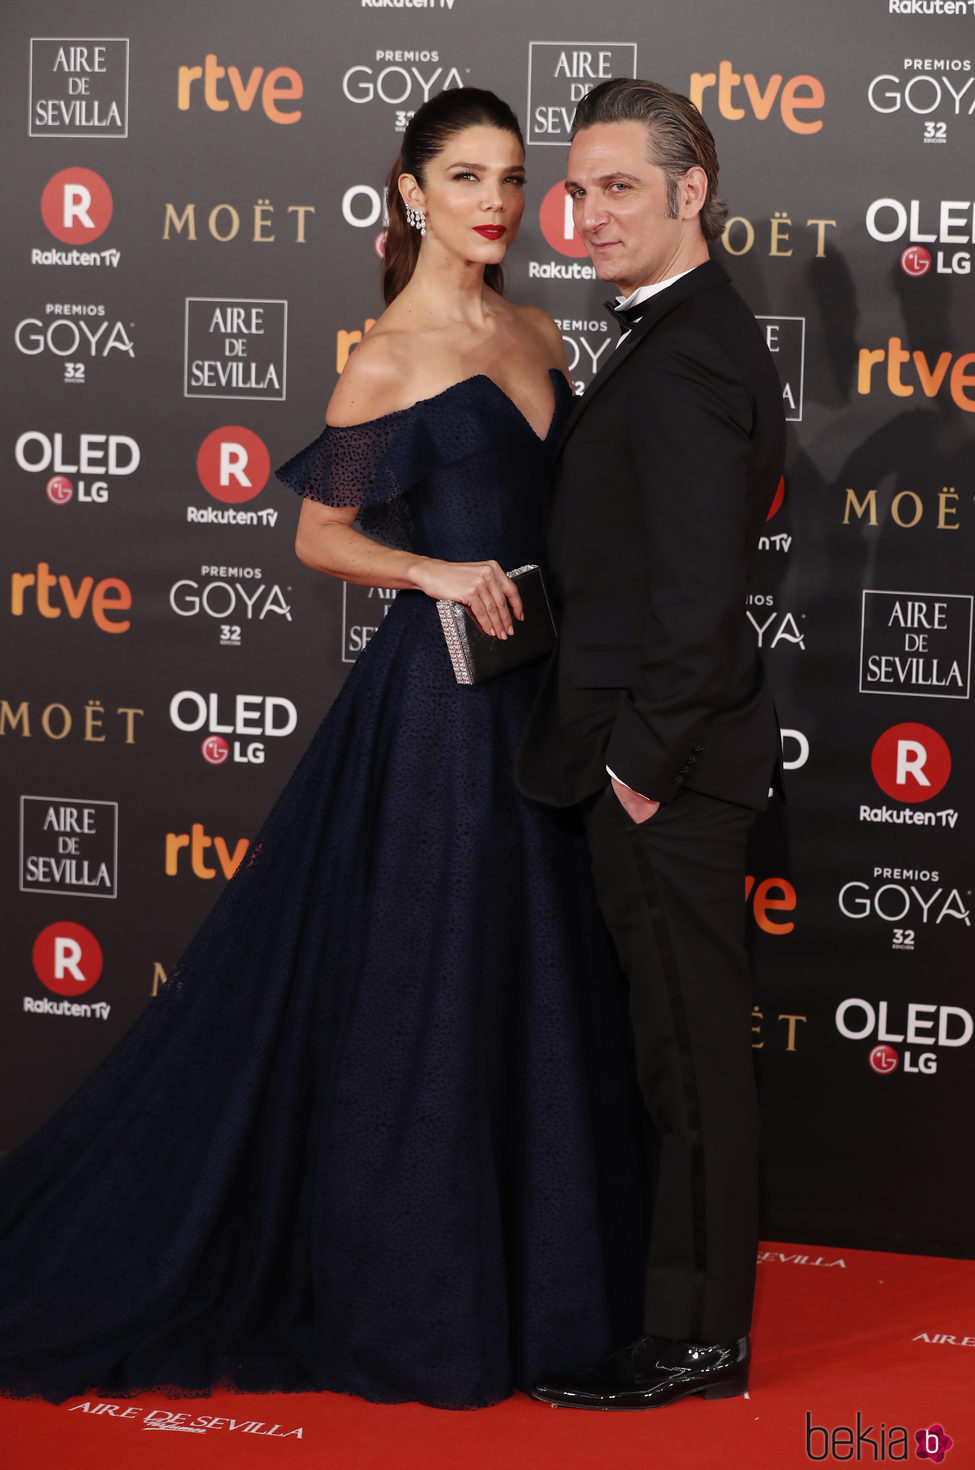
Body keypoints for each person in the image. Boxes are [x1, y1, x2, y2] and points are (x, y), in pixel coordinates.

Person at [0, 88, 646, 1410]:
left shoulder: (534, 326)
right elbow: (316, 538)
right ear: (409, 194)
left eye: (513, 180)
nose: (496, 202)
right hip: (443, 712)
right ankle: (426, 1293)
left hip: (544, 699)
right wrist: (438, 570)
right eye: (465, 177)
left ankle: (554, 1283)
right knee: (446, 983)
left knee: (537, 977)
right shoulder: (389, 354)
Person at [516, 78, 786, 1409]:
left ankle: (696, 1340)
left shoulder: (684, 357)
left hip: (664, 779)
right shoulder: (671, 332)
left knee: (690, 1062)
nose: (589, 210)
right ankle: (676, 1315)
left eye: (622, 185)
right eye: (580, 187)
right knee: (667, 1054)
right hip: (647, 764)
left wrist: (635, 769)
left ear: (694, 192)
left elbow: (695, 604)